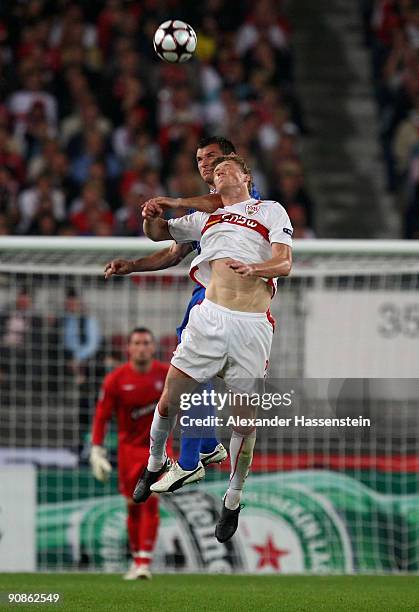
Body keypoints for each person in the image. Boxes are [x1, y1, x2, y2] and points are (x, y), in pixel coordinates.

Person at [133, 155, 292, 543]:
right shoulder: (205, 217)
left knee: (244, 424)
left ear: (246, 177)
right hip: (210, 318)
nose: (218, 174)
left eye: (226, 169)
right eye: (214, 172)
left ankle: (233, 498)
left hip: (252, 327)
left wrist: (258, 269)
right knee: (170, 399)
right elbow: (157, 235)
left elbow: (284, 262)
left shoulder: (269, 210)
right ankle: (155, 463)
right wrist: (151, 213)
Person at [105, 137, 259, 491]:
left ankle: (191, 459)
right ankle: (205, 447)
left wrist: (172, 201)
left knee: (194, 374)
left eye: (213, 158)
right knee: (194, 374)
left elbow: (221, 202)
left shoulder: (245, 196)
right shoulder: (203, 212)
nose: (205, 164)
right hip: (207, 295)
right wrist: (136, 258)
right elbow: (170, 248)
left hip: (230, 297)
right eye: (200, 159)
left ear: (232, 162)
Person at [89, 327, 170, 580]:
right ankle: (137, 560)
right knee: (133, 506)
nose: (142, 347)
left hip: (158, 449)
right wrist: (96, 449)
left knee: (152, 502)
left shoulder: (166, 375)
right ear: (129, 348)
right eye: (137, 343)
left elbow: (187, 405)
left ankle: (144, 560)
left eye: (146, 342)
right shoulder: (116, 379)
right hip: (128, 451)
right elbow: (101, 416)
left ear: (153, 347)